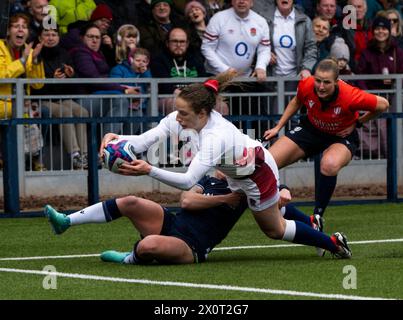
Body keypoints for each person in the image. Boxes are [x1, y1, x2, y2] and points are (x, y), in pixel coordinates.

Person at [90, 70, 352, 260]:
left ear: (202, 113)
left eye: (182, 113)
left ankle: (334, 243)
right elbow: (144, 141)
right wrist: (118, 139)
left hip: (257, 173)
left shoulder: (214, 137)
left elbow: (187, 182)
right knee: (273, 212)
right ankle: (310, 222)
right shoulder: (189, 117)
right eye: (177, 111)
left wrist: (149, 170)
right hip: (237, 168)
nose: (176, 117)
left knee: (274, 229)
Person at [45, 171, 351, 264]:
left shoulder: (253, 184)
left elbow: (281, 212)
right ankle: (66, 222)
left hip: (193, 245)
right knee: (130, 201)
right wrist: (226, 198)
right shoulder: (214, 180)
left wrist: (285, 194)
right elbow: (187, 200)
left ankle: (128, 258)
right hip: (174, 221)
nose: (224, 166)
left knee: (149, 245)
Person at [263, 58, 389, 225]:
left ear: (336, 82)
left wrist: (358, 122)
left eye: (326, 82)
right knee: (268, 161)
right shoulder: (307, 84)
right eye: (318, 81)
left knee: (329, 164)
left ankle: (317, 218)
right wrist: (278, 126)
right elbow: (297, 101)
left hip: (340, 136)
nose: (321, 87)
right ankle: (267, 199)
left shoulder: (350, 95)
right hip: (311, 130)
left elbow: (383, 104)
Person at [31, 26, 90, 169]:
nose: (51, 38)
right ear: (40, 38)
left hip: (62, 97)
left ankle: (84, 154)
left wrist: (71, 76)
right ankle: (74, 155)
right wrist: (52, 79)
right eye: (47, 34)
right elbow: (35, 86)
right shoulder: (36, 54)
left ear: (58, 37)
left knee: (82, 112)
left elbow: (74, 85)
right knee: (65, 113)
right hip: (43, 99)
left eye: (54, 34)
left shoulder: (64, 54)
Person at [0, 13, 46, 171]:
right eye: (16, 26)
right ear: (8, 31)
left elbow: (38, 85)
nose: (20, 30)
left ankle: (35, 162)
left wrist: (35, 61)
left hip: (22, 108)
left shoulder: (28, 51)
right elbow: (2, 75)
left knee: (37, 116)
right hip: (2, 105)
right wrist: (22, 61)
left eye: (24, 27)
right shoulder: (0, 46)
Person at [150, 27, 208, 115]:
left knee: (221, 106)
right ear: (167, 43)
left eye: (182, 41)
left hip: (194, 96)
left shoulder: (196, 58)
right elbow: (164, 86)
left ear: (187, 43)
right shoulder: (159, 59)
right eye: (174, 41)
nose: (178, 45)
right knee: (176, 104)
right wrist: (186, 96)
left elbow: (202, 80)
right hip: (169, 97)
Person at [110, 47, 152, 134]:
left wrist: (145, 73)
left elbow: (150, 87)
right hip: (122, 106)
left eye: (144, 62)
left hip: (141, 108)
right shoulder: (119, 69)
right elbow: (114, 85)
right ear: (130, 59)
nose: (141, 64)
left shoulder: (145, 73)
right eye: (138, 60)